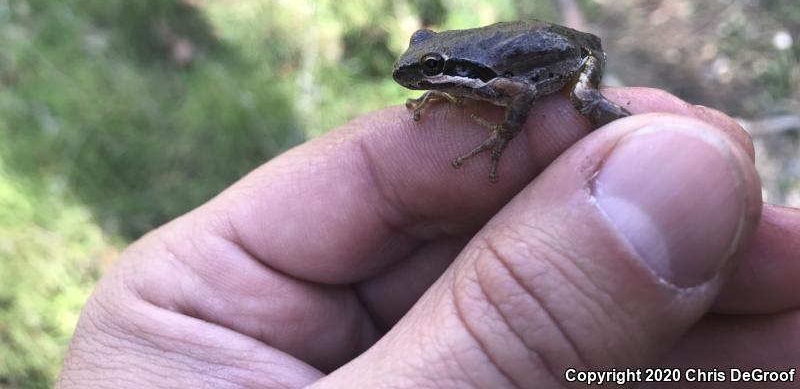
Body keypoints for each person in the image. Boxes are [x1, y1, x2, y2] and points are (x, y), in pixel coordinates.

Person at [58, 87, 798, 388]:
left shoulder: (491, 82)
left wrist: (498, 141)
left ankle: (639, 150)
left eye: (436, 75)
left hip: (561, 60)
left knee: (575, 106)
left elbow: (514, 97)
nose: (421, 82)